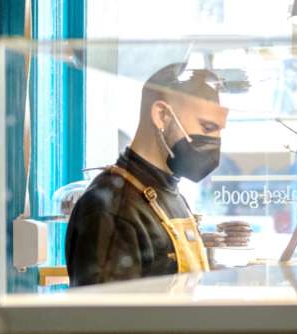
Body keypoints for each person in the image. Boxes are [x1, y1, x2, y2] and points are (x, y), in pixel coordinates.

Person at [66, 63, 228, 286]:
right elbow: (103, 319)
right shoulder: (111, 208)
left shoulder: (171, 194)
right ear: (162, 115)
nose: (215, 143)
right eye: (207, 128)